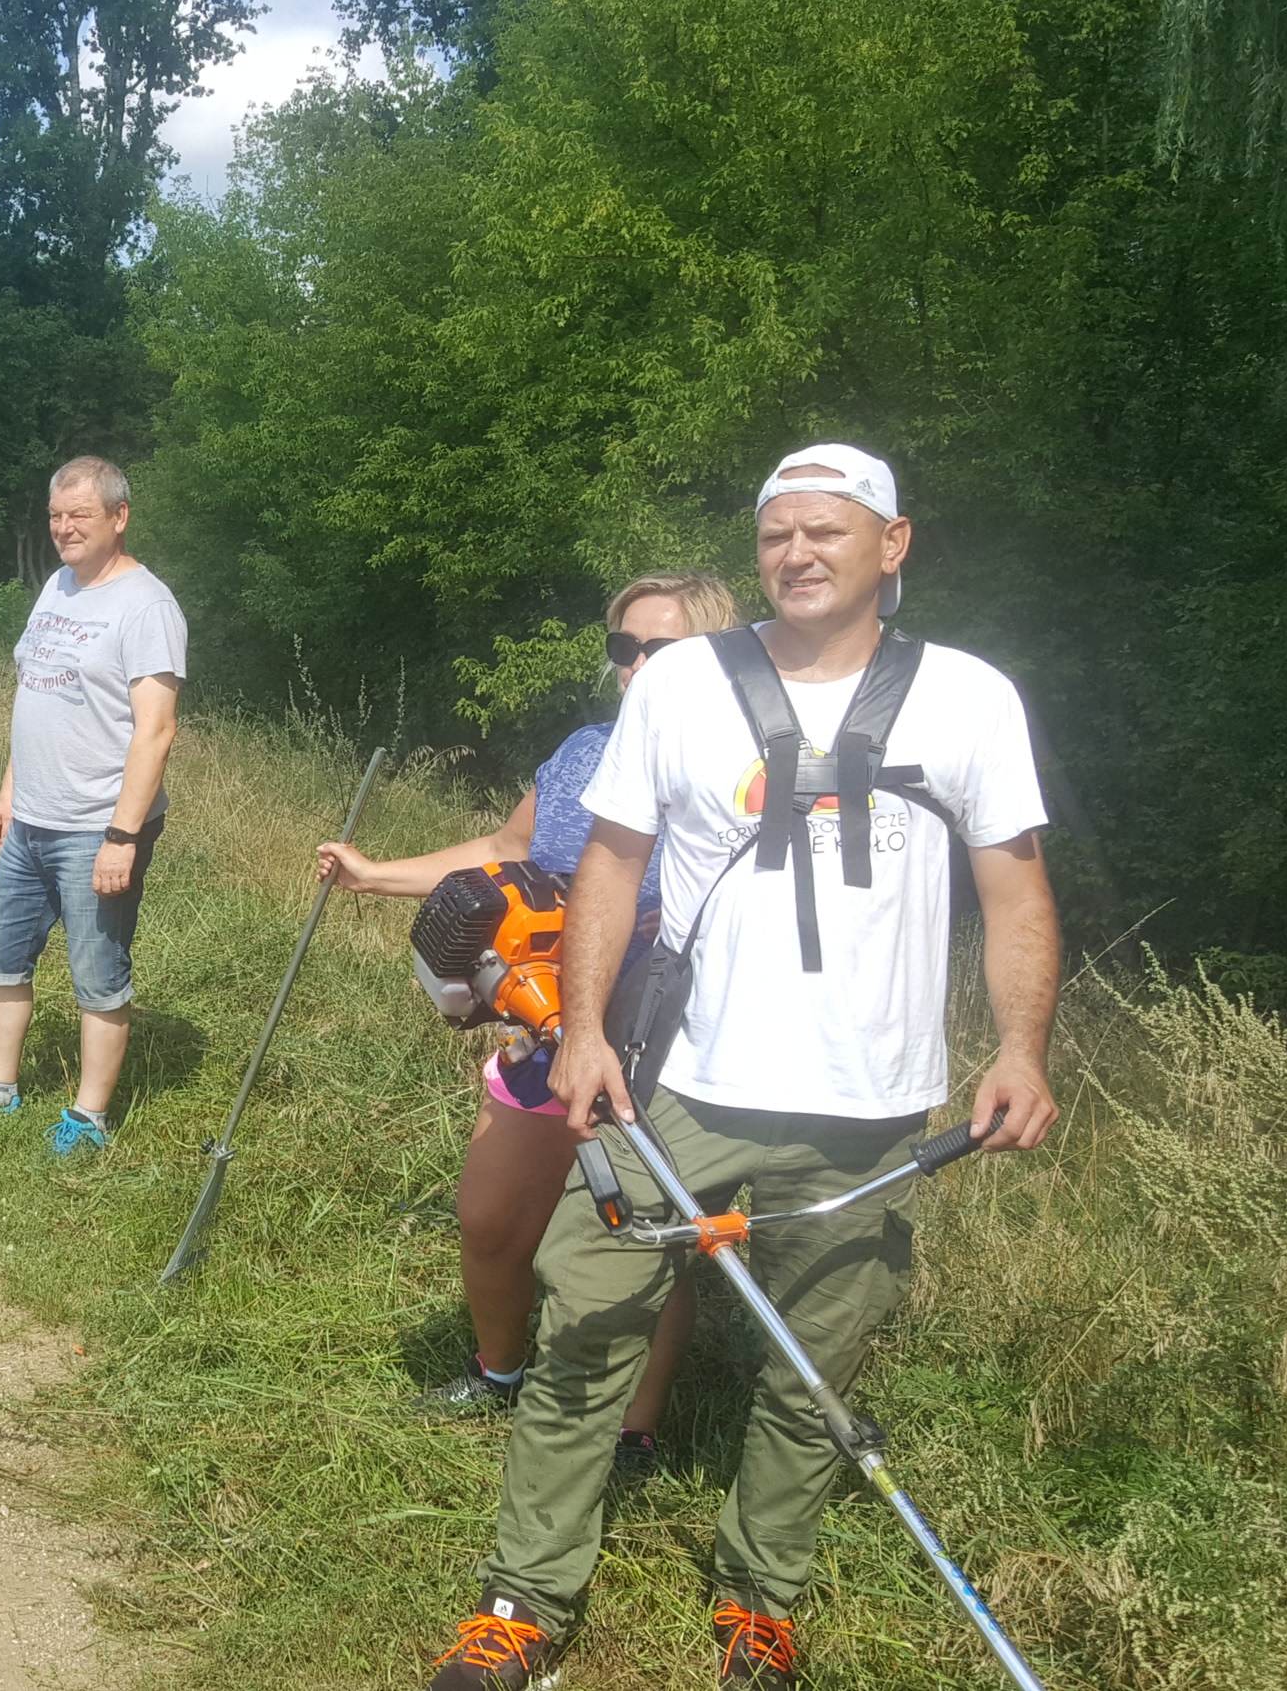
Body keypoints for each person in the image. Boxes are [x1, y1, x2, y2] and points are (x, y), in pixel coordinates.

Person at [426, 444, 1060, 1690]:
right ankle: (524, 1604)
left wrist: (1022, 1051)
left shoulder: (972, 698)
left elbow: (1016, 885)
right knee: (587, 1320)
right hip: (682, 1086)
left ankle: (759, 1602)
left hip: (874, 1108)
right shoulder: (682, 689)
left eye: (828, 530)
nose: (799, 553)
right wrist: (591, 1030)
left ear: (894, 544)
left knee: (813, 1374)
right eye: (777, 534)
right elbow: (608, 860)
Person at [318, 571, 739, 1441]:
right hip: (540, 1029)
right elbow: (504, 850)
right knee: (489, 1219)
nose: (636, 666)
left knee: (642, 1249)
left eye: (660, 649)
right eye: (624, 648)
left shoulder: (740, 770)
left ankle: (633, 1432)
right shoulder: (586, 750)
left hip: (659, 1045)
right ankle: (500, 1371)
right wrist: (375, 875)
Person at [0, 456, 187, 1158]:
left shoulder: (147, 606)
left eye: (81, 515)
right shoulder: (58, 586)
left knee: (98, 972)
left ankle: (87, 1118)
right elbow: (37, 692)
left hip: (96, 824)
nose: (65, 529)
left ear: (119, 517)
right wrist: (11, 790)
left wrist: (122, 836)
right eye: (55, 516)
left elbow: (156, 729)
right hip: (32, 817)